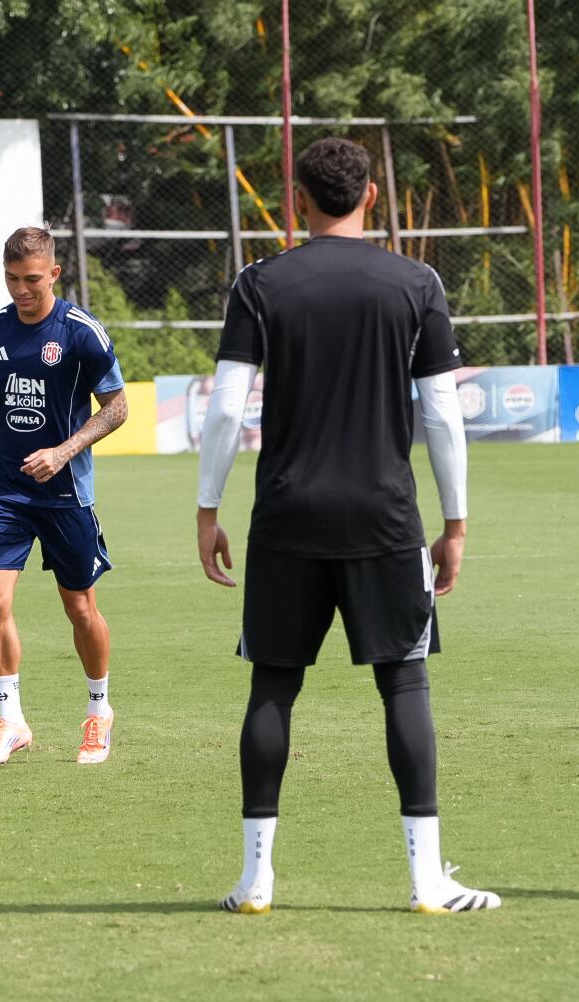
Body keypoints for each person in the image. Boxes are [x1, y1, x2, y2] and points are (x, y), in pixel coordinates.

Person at [196, 136, 500, 915]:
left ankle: (254, 880)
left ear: (297, 198)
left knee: (273, 684)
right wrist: (456, 522)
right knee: (405, 681)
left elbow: (228, 406)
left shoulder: (259, 282)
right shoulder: (416, 282)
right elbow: (440, 414)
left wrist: (207, 508)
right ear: (371, 197)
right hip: (384, 517)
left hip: (287, 515)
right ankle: (427, 883)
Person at [0, 226, 128, 767]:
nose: (22, 290)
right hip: (5, 490)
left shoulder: (80, 332)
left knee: (80, 606)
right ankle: (11, 720)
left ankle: (98, 710)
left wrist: (64, 451)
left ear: (55, 274)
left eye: (33, 280)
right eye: (13, 279)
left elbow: (116, 408)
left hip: (66, 491)